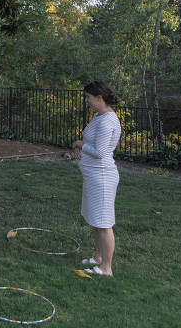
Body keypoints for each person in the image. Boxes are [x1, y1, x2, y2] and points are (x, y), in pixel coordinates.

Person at [71, 81, 122, 277]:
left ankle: (106, 268)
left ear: (99, 98)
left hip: (102, 177)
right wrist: (80, 147)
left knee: (103, 222)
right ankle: (99, 257)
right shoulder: (98, 117)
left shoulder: (108, 120)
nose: (87, 101)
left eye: (88, 97)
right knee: (95, 220)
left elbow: (100, 152)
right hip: (92, 176)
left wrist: (79, 144)